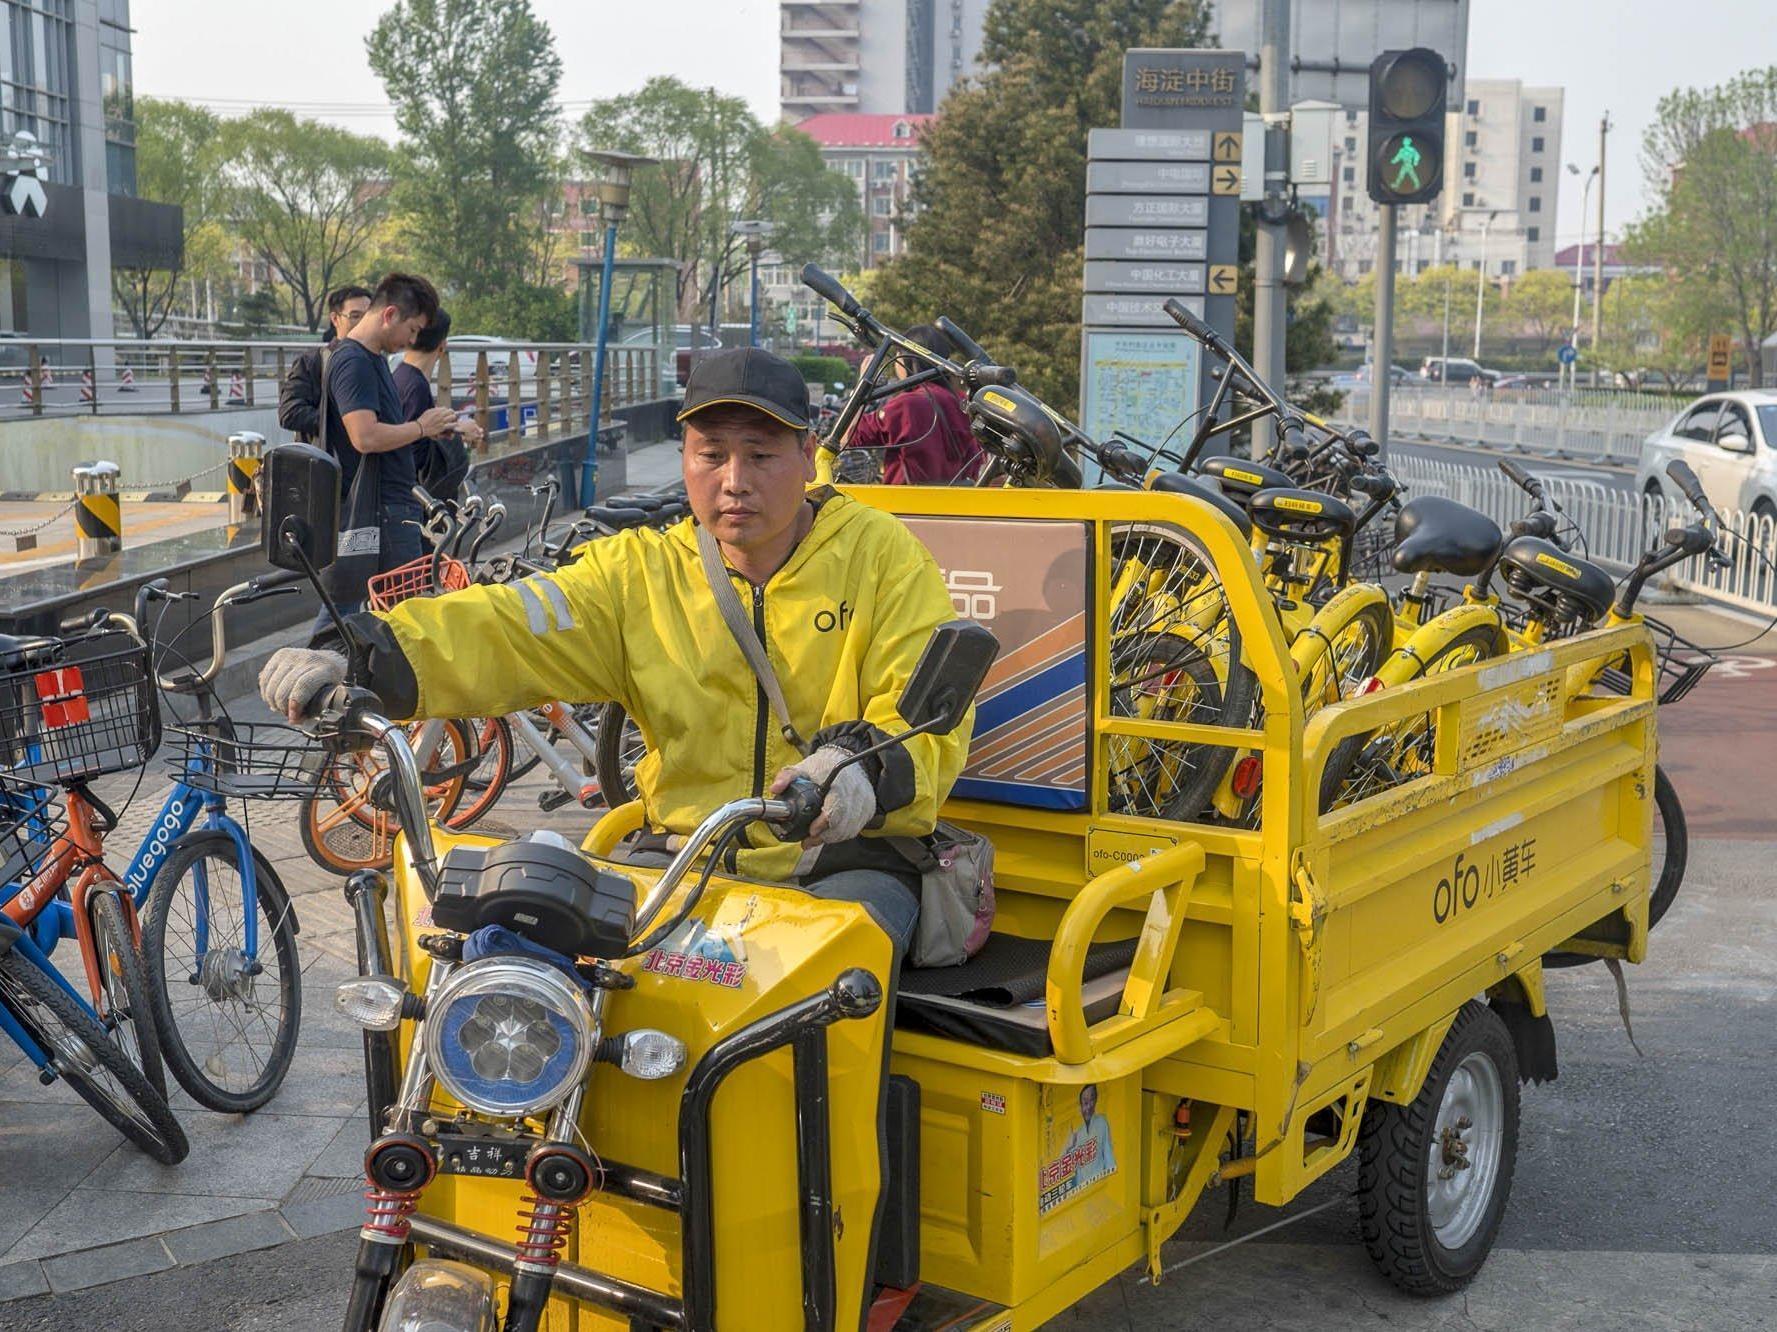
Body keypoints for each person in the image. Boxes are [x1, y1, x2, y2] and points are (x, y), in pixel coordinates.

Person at [260, 345, 969, 956]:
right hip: (687, 849)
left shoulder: (883, 558)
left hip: (843, 857)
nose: (735, 481)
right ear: (685, 458)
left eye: (761, 455)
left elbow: (926, 710)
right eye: (711, 455)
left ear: (808, 458)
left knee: (829, 982)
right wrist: (356, 656)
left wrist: (852, 773)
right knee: (550, 973)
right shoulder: (639, 571)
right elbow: (507, 623)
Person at [845, 324, 983, 485]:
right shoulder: (963, 401)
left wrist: (862, 387)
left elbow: (849, 437)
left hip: (904, 504)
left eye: (898, 354)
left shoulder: (906, 405)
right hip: (955, 503)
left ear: (908, 359)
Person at [394, 307, 483, 502]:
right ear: (442, 346)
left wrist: (454, 428)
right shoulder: (416, 387)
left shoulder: (401, 376)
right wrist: (457, 436)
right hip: (417, 505)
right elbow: (414, 451)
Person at [278, 285, 372, 443]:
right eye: (355, 316)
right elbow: (290, 412)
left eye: (367, 317)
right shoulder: (312, 363)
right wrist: (347, 423)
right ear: (335, 319)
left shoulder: (377, 361)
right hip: (327, 462)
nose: (363, 323)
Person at [1064, 1083, 1116, 1186]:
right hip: (1083, 1190)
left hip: (1100, 1185)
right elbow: (1071, 1168)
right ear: (1081, 1104)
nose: (1089, 1106)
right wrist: (1069, 1148)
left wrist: (1112, 1184)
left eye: (1092, 1100)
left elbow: (1108, 1153)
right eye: (1085, 1101)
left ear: (1096, 1101)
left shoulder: (1101, 1122)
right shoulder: (1078, 1133)